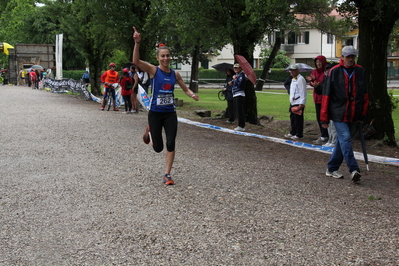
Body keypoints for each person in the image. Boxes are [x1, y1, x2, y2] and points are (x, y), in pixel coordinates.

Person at [132, 26, 199, 185]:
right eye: (163, 56)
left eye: (168, 56)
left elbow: (185, 88)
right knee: (158, 148)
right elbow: (135, 62)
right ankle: (150, 130)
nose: (166, 58)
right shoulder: (153, 70)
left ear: (171, 57)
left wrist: (191, 94)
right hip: (155, 113)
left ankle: (167, 174)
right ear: (158, 58)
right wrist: (137, 43)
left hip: (170, 113)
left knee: (171, 142)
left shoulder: (175, 74)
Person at [320, 46, 368, 183]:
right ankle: (354, 169)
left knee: (342, 143)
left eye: (353, 56)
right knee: (346, 138)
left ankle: (331, 168)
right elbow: (326, 96)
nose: (350, 59)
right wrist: (324, 117)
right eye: (348, 56)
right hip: (338, 113)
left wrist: (362, 115)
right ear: (342, 57)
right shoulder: (334, 72)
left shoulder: (360, 71)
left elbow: (365, 95)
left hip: (353, 113)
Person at [306, 55, 329, 144]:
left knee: (324, 117)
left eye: (320, 62)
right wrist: (311, 81)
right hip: (317, 98)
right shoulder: (314, 71)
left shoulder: (326, 72)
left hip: (324, 98)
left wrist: (317, 83)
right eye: (317, 62)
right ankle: (323, 134)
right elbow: (312, 84)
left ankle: (326, 135)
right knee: (318, 117)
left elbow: (325, 83)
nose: (318, 64)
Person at [284, 64, 307, 140]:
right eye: (291, 71)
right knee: (293, 118)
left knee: (298, 118)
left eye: (293, 71)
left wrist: (301, 104)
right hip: (293, 101)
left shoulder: (301, 79)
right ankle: (293, 131)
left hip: (298, 101)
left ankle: (299, 134)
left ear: (297, 71)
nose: (292, 72)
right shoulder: (293, 79)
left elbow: (303, 91)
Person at [231, 63, 246, 131]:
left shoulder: (241, 75)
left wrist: (235, 80)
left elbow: (240, 85)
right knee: (237, 110)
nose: (235, 69)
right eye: (234, 68)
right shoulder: (237, 75)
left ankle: (241, 125)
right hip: (235, 93)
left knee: (240, 110)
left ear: (240, 68)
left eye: (237, 68)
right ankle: (239, 124)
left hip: (239, 94)